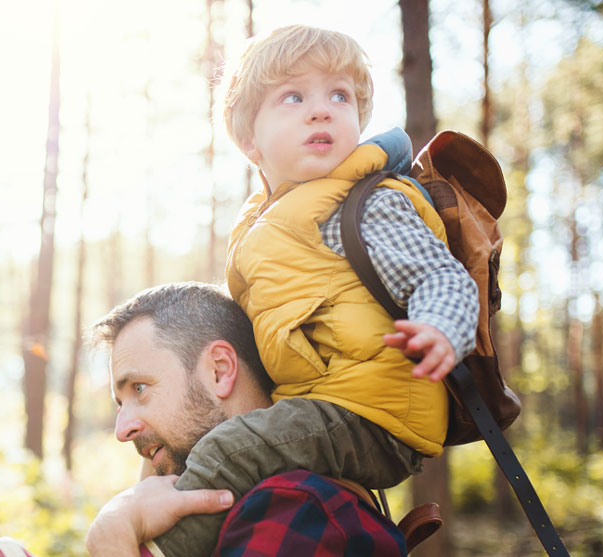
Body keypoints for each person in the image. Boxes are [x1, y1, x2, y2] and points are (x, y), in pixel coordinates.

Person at [139, 26, 479, 556]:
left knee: (231, 452)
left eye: (338, 96)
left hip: (373, 408)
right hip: (324, 401)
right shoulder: (263, 226)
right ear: (250, 140)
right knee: (198, 446)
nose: (321, 110)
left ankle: (151, 547)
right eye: (293, 97)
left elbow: (439, 275)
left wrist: (440, 327)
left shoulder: (366, 202)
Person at [81, 282, 407, 556]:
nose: (122, 431)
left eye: (140, 388)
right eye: (120, 404)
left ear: (219, 371)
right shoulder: (261, 509)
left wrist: (111, 535)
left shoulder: (295, 508)